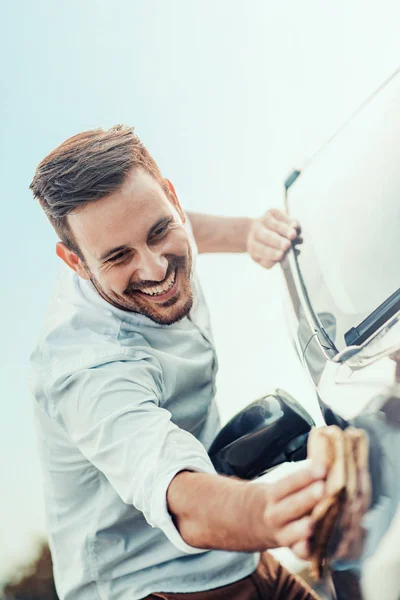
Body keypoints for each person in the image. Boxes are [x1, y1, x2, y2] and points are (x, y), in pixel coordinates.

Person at [29, 125, 356, 600]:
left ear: (171, 198)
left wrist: (250, 234)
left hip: (239, 553)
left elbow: (173, 230)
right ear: (76, 263)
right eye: (119, 258)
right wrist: (273, 514)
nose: (155, 269)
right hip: (152, 586)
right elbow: (177, 495)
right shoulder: (85, 367)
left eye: (160, 230)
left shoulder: (149, 230)